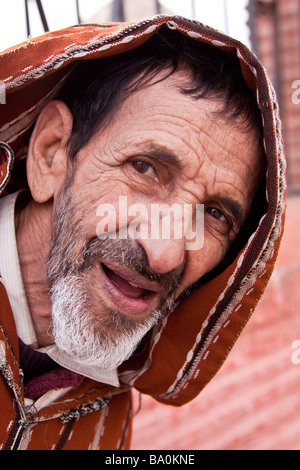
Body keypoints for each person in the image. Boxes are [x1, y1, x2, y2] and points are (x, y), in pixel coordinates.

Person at [0, 16, 286, 450]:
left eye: (214, 214)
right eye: (145, 168)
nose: (165, 253)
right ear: (52, 153)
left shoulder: (108, 405)